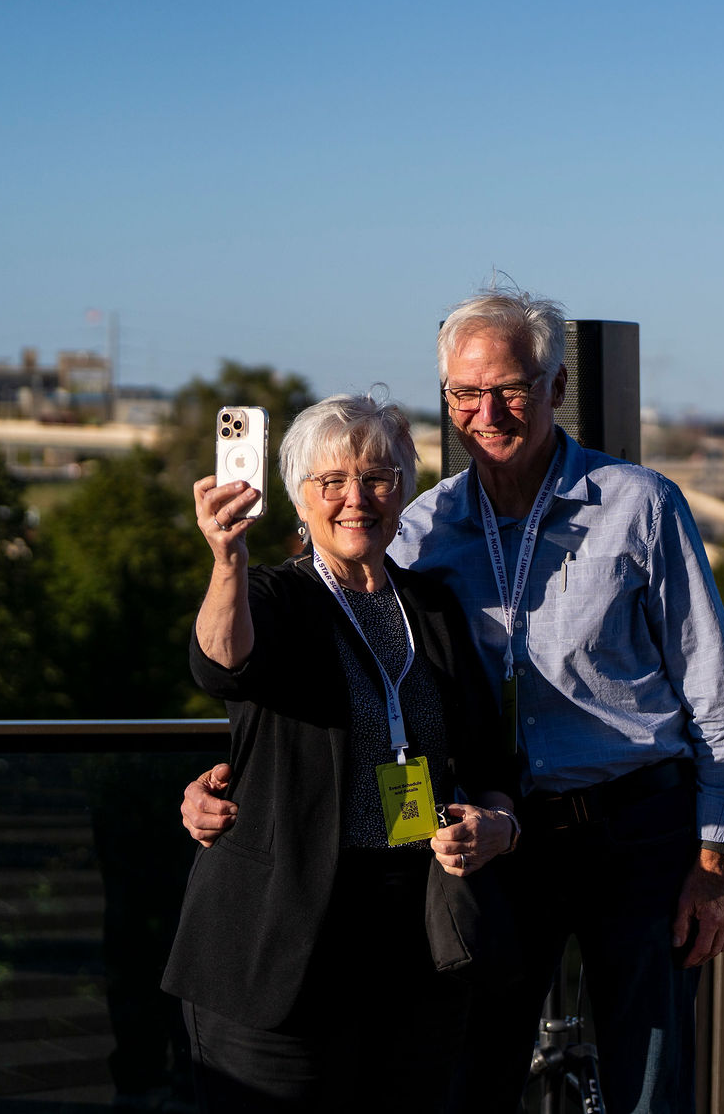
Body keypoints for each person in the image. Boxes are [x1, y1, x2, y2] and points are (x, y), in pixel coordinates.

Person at [182, 285, 724, 1114]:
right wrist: (231, 776)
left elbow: (718, 692)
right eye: (465, 392)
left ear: (556, 386)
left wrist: (715, 866)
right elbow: (270, 667)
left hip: (637, 836)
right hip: (500, 846)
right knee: (473, 1080)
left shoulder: (640, 506)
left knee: (647, 1087)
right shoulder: (421, 525)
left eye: (509, 388)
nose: (486, 412)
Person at [163, 393, 519, 1113]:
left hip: (413, 946)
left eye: (378, 478)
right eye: (331, 481)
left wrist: (500, 826)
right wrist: (227, 560)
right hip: (277, 941)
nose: (356, 498)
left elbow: (488, 761)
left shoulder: (433, 608)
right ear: (299, 497)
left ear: (403, 491)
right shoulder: (272, 595)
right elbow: (222, 664)